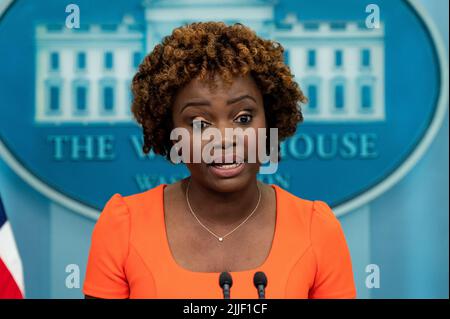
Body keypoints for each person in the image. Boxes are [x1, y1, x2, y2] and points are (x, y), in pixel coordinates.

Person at [83, 21, 356, 299]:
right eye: (200, 123)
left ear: (270, 120)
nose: (224, 138)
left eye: (243, 118)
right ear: (171, 131)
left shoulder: (317, 229)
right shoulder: (123, 226)